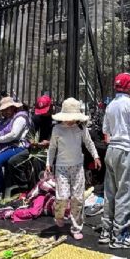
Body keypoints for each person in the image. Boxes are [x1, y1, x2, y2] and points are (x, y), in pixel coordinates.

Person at [46, 97, 100, 241]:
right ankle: (59, 215)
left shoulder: (81, 128)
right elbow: (52, 148)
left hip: (77, 167)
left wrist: (96, 156)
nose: (70, 121)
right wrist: (48, 163)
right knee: (62, 196)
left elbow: (89, 143)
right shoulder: (57, 129)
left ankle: (76, 227)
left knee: (78, 198)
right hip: (62, 168)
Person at [100, 72, 130, 249]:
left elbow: (105, 129)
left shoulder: (110, 106)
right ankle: (120, 236)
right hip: (125, 150)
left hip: (111, 150)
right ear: (129, 87)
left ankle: (106, 231)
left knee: (110, 191)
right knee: (125, 192)